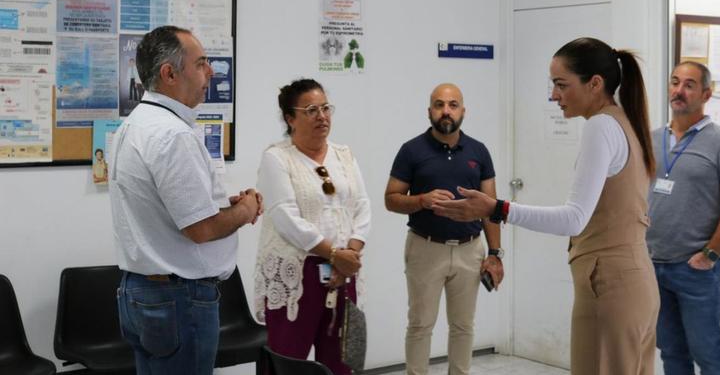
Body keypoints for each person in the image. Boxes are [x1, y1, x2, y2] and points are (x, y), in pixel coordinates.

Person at [434, 38, 659, 375]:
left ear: (595, 83)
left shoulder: (601, 126)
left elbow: (574, 219)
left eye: (561, 84)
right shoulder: (624, 122)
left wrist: (497, 209)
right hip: (633, 280)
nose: (553, 95)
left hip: (612, 284)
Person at [109, 25, 262, 375]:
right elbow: (201, 229)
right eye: (202, 63)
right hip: (178, 299)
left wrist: (228, 207)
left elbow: (174, 211)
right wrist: (245, 210)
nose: (211, 72)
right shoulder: (172, 134)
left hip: (143, 291)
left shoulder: (134, 125)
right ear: (169, 73)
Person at [253, 78, 371, 375]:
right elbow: (285, 217)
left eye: (326, 108)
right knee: (288, 360)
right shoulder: (277, 158)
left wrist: (350, 255)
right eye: (311, 110)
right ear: (290, 118)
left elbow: (362, 206)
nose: (322, 116)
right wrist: (335, 255)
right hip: (298, 274)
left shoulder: (343, 155)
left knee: (341, 360)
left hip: (345, 269)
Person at [385, 83, 503, 375]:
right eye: (439, 105)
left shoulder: (479, 151)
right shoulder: (411, 150)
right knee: (420, 325)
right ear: (430, 111)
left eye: (452, 104)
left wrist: (495, 253)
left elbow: (492, 208)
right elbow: (391, 199)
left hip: (470, 249)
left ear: (463, 111)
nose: (446, 111)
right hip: (425, 248)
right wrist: (421, 200)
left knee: (463, 326)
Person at [647, 61, 720, 375]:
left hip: (694, 270)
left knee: (708, 353)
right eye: (675, 82)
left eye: (689, 85)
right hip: (653, 264)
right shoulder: (651, 138)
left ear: (706, 93)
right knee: (671, 352)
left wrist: (710, 253)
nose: (679, 91)